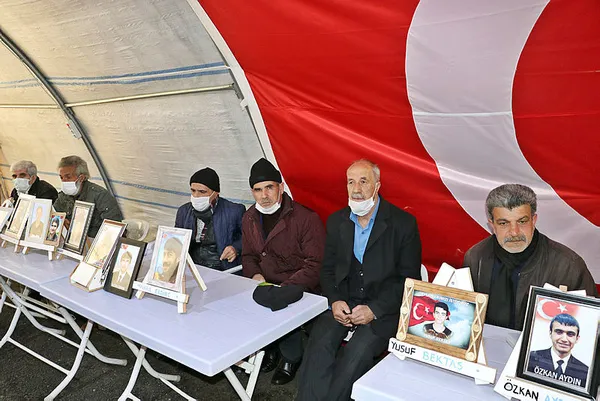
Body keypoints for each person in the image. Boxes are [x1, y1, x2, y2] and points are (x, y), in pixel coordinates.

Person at [296, 159, 422, 401]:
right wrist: (335, 300)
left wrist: (374, 310)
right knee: (319, 345)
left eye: (363, 181)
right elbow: (327, 270)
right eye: (350, 182)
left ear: (377, 186)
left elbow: (409, 281)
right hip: (345, 302)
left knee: (355, 355)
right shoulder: (337, 221)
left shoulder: (403, 224)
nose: (356, 189)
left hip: (383, 310)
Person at [463, 184, 597, 330]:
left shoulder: (569, 266)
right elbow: (464, 319)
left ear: (533, 220)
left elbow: (590, 329)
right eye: (503, 223)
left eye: (522, 221)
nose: (514, 232)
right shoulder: (475, 258)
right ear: (492, 225)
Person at [242, 158, 325, 385]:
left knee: (281, 302)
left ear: (281, 187)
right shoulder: (249, 217)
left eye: (269, 187)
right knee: (250, 298)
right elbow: (248, 256)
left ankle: (291, 357)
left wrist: (285, 288)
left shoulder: (305, 218)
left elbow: (315, 264)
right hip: (267, 282)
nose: (264, 195)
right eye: (257, 190)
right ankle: (270, 349)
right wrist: (256, 277)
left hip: (300, 285)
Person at [175, 167, 245, 271]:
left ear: (215, 193)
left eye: (202, 192)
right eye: (193, 191)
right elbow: (176, 240)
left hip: (222, 268)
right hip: (191, 267)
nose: (196, 196)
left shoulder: (234, 211)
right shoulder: (184, 211)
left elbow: (247, 238)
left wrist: (235, 248)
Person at [53, 156, 123, 237]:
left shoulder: (100, 195)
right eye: (61, 177)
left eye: (68, 177)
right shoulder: (63, 195)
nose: (64, 181)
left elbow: (114, 227)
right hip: (71, 239)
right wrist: (61, 221)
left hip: (95, 240)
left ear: (81, 178)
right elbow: (54, 214)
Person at [527, 313, 589, 388]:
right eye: (559, 332)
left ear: (577, 339)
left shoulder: (585, 372)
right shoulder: (531, 358)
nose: (564, 339)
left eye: (570, 334)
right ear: (550, 334)